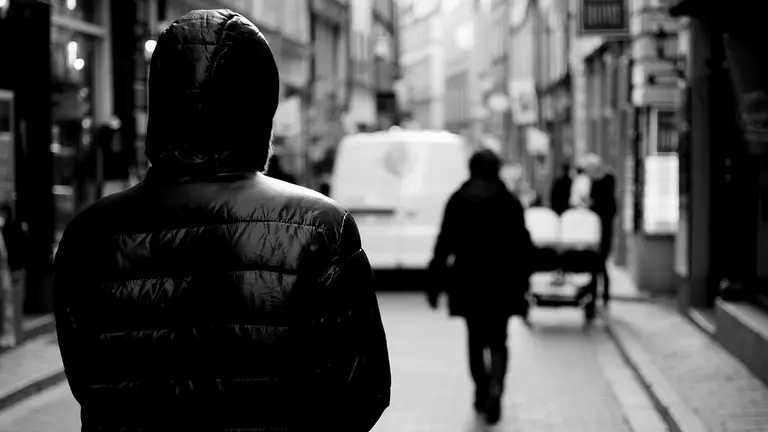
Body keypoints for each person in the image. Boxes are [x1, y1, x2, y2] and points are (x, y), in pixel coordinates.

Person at [53, 10, 391, 432]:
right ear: (259, 112)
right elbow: (364, 390)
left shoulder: (88, 236)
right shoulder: (320, 228)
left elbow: (88, 377)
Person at [427, 149, 533, 425]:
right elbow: (523, 245)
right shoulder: (509, 202)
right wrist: (524, 282)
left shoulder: (459, 200)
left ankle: (481, 387)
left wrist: (435, 280)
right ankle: (497, 386)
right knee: (499, 338)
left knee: (475, 338)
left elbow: (444, 241)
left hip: (468, 279)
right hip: (503, 281)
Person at [586, 155, 618, 307]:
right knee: (597, 264)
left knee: (600, 262)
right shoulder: (599, 182)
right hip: (596, 229)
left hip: (602, 230)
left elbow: (604, 206)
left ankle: (602, 293)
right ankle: (597, 294)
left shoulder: (605, 182)